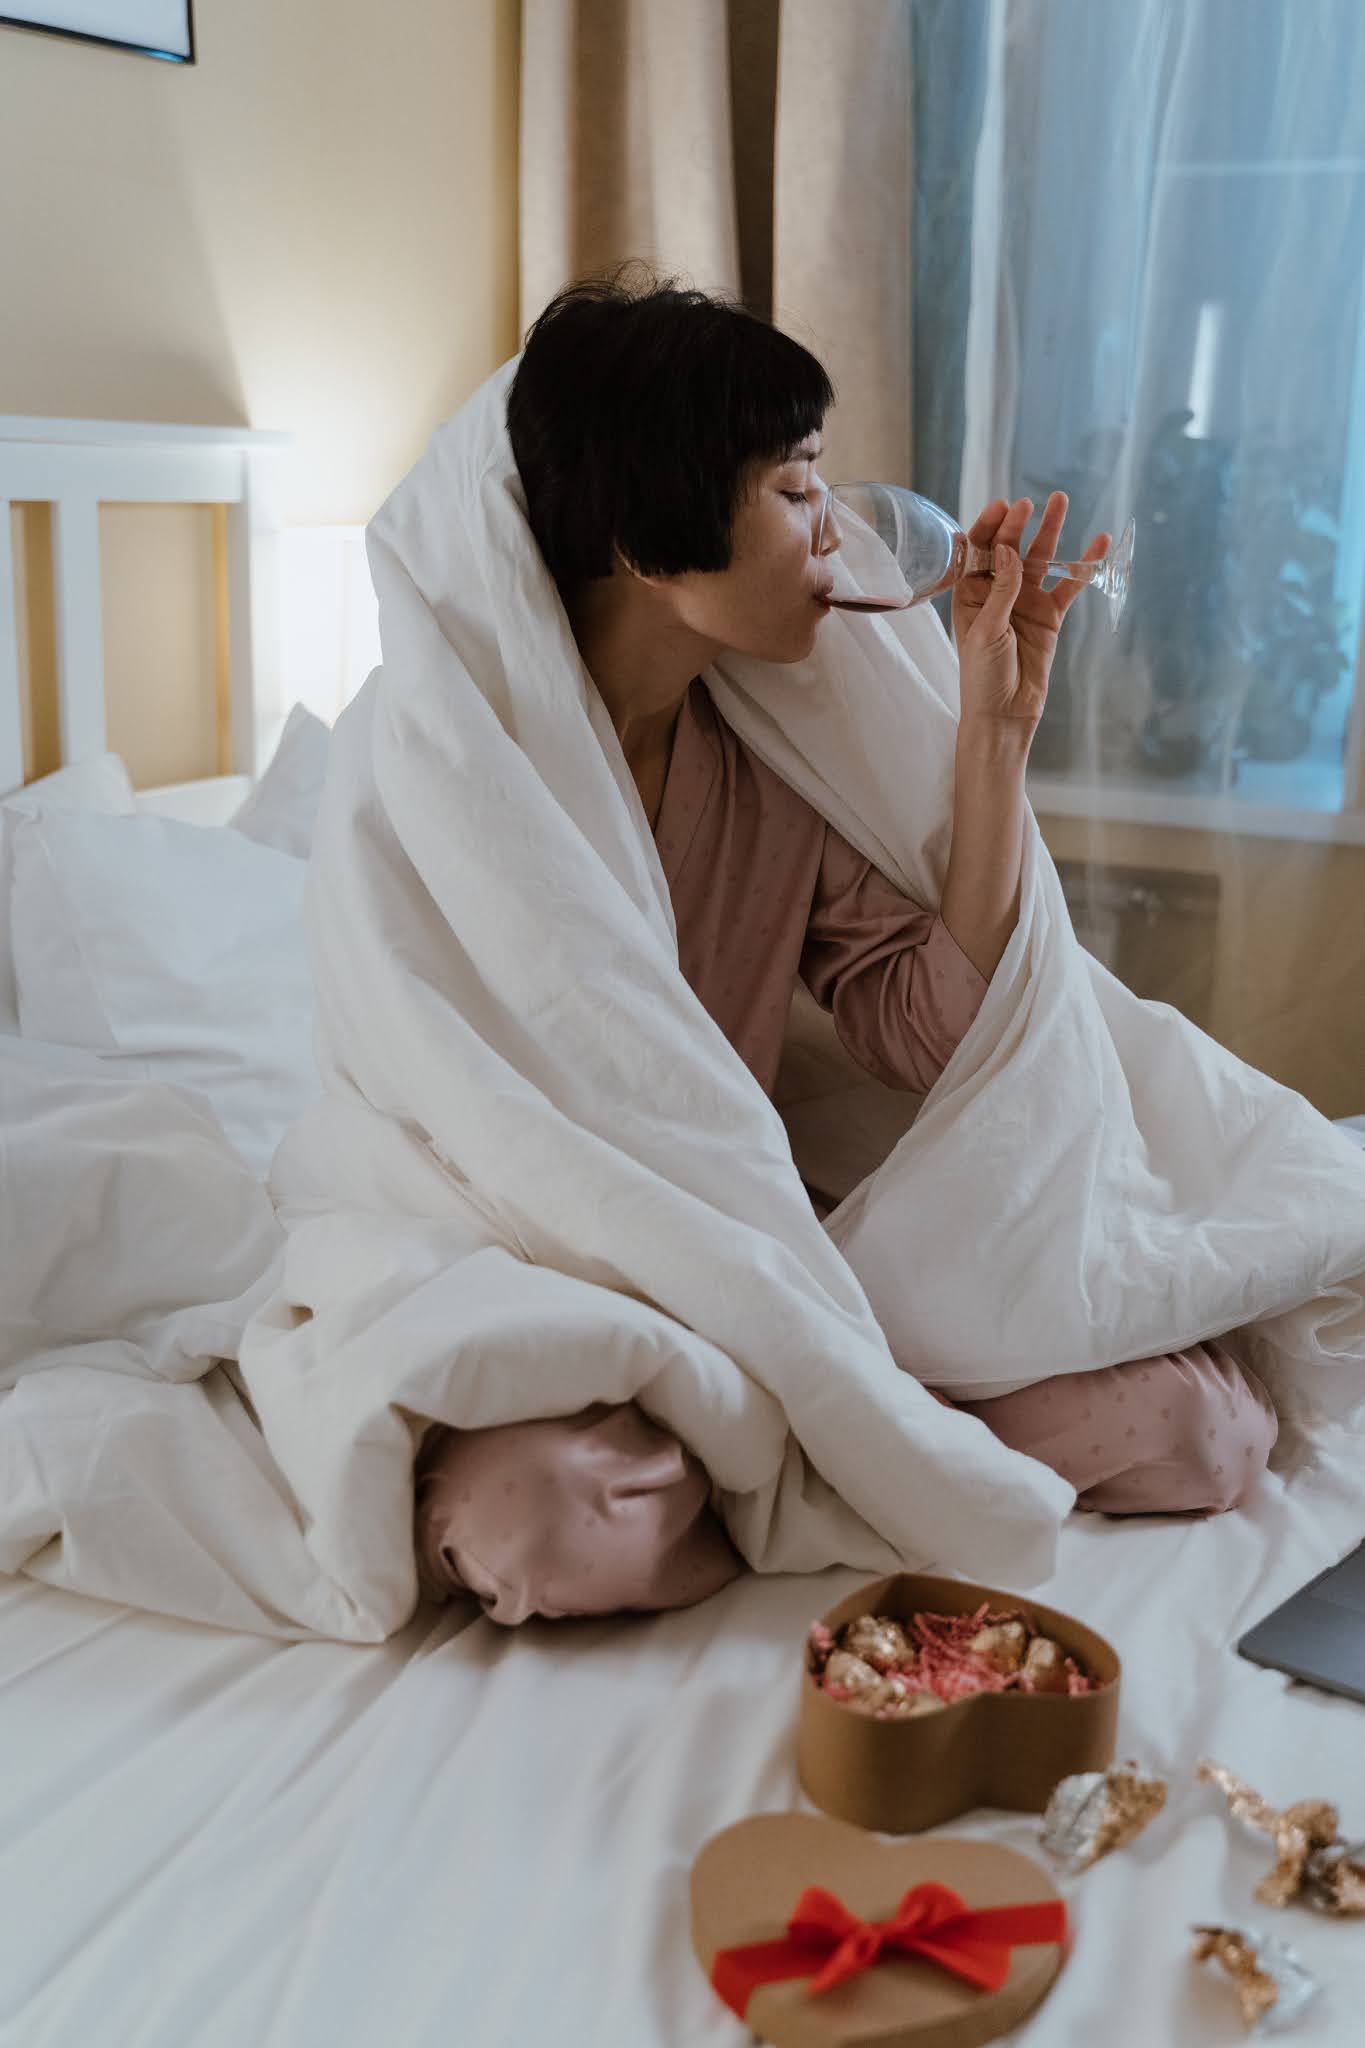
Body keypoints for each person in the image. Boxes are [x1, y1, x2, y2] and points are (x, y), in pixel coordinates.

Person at [413, 273, 1276, 1624]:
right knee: (542, 1525)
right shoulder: (450, 773)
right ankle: (795, 1451)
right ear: (651, 538)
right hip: (542, 1281)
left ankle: (776, 1455)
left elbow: (940, 1039)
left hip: (754, 1267)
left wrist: (986, 739)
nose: (838, 534)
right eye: (797, 490)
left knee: (1198, 1433)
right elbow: (440, 1123)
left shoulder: (763, 767)